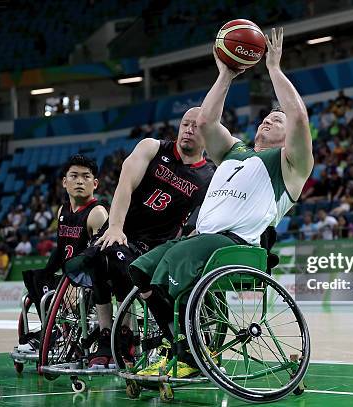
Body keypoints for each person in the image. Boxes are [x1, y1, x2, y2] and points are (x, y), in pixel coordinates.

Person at [127, 27, 313, 378]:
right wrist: (225, 74)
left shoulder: (291, 165)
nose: (268, 120)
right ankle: (182, 346)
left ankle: (189, 352)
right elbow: (205, 121)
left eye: (277, 120)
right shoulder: (233, 150)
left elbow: (300, 118)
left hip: (236, 246)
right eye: (266, 118)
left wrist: (274, 69)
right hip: (202, 242)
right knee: (139, 271)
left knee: (175, 267)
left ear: (290, 138)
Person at [86, 107, 216, 367]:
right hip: (122, 230)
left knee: (127, 265)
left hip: (156, 248)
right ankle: (108, 333)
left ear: (210, 135)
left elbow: (199, 223)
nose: (188, 130)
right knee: (99, 255)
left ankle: (131, 336)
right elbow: (126, 182)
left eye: (196, 127)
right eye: (185, 124)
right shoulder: (152, 148)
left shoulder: (210, 176)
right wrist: (115, 226)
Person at [20, 155, 108, 351]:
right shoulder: (63, 210)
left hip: (89, 282)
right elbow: (61, 249)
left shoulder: (97, 213)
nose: (79, 181)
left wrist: (76, 282)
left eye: (86, 177)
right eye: (74, 176)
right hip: (68, 276)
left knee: (53, 284)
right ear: (64, 182)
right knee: (35, 277)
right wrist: (46, 273)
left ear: (95, 184)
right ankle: (53, 331)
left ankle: (54, 334)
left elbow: (98, 257)